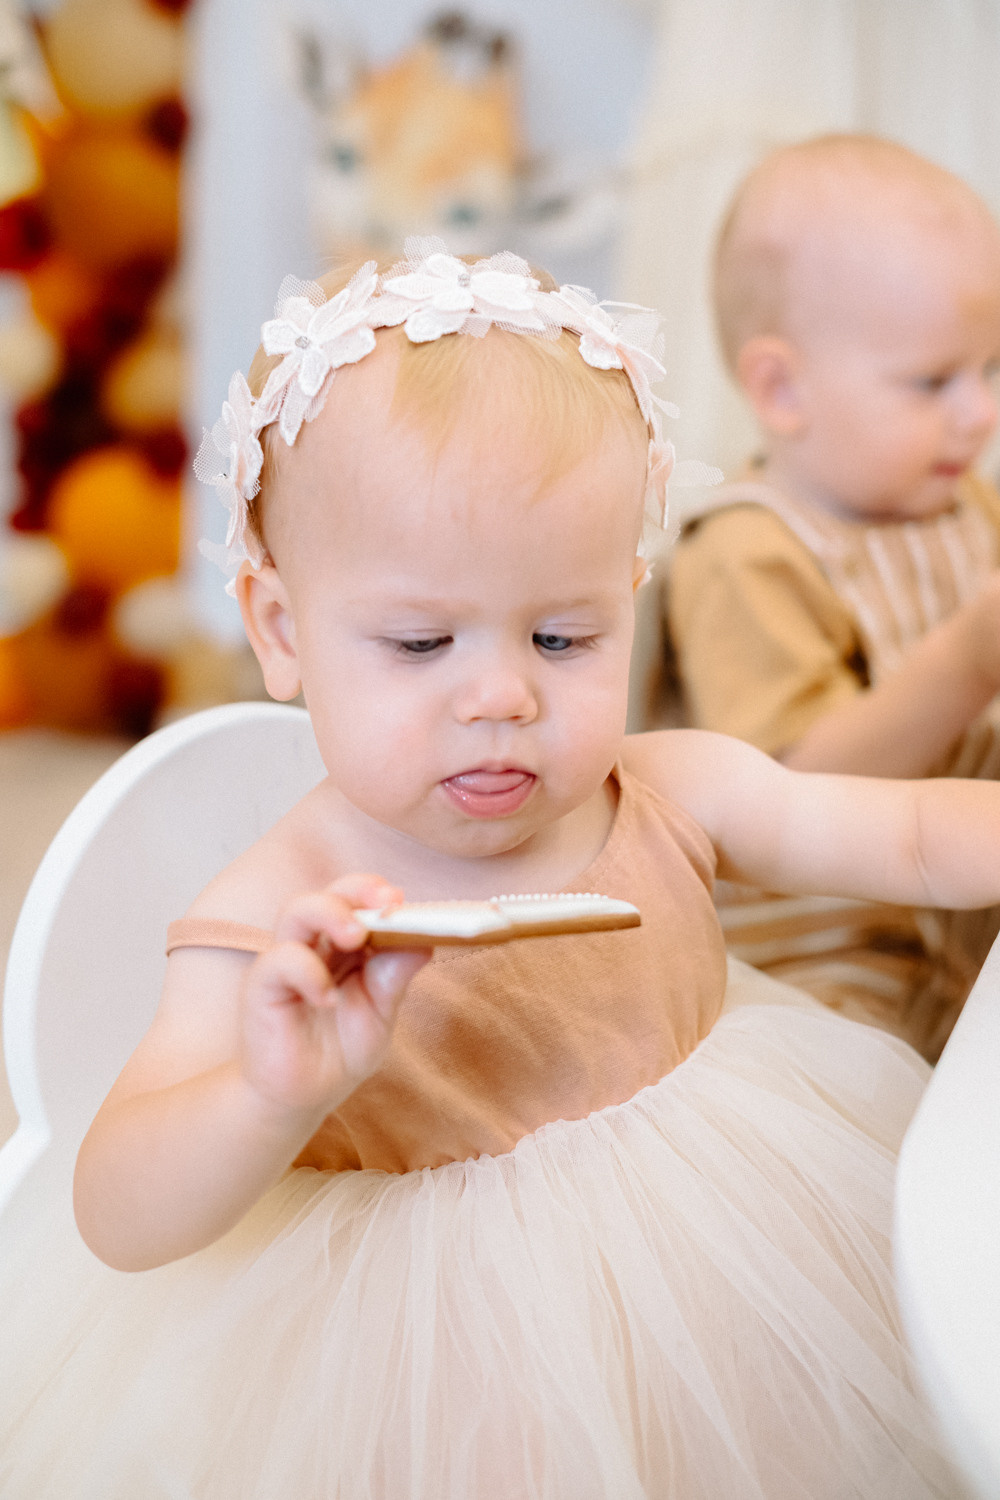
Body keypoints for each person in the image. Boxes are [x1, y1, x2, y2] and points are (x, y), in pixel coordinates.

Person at [0, 241, 982, 1499]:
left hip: (727, 1255)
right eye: (421, 643)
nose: (501, 696)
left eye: (564, 637)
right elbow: (117, 1214)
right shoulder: (270, 921)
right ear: (281, 631)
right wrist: (265, 1094)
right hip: (422, 1368)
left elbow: (906, 836)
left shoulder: (666, 789)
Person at [666, 133, 1000, 1060]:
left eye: (990, 370)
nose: (980, 413)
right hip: (829, 967)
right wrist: (967, 661)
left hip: (967, 933)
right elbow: (790, 794)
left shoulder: (967, 507)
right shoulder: (747, 553)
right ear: (782, 389)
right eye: (933, 381)